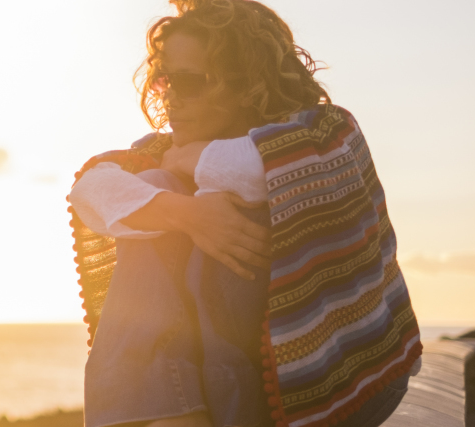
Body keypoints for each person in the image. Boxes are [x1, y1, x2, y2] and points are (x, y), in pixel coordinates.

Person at [66, 1, 423, 426]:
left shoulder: (327, 131)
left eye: (189, 81)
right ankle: (178, 415)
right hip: (249, 395)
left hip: (354, 380)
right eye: (165, 80)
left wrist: (189, 164)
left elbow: (258, 171)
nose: (171, 97)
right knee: (158, 191)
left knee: (218, 197)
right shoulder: (171, 149)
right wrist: (189, 214)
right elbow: (91, 189)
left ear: (248, 84)